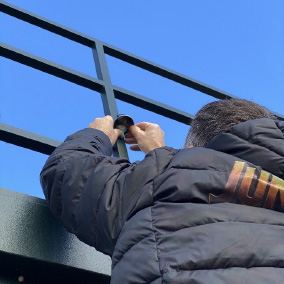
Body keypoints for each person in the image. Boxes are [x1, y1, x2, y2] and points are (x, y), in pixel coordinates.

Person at [40, 99, 284, 284]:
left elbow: (65, 174)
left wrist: (97, 135)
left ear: (190, 148)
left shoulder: (163, 178)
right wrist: (160, 155)